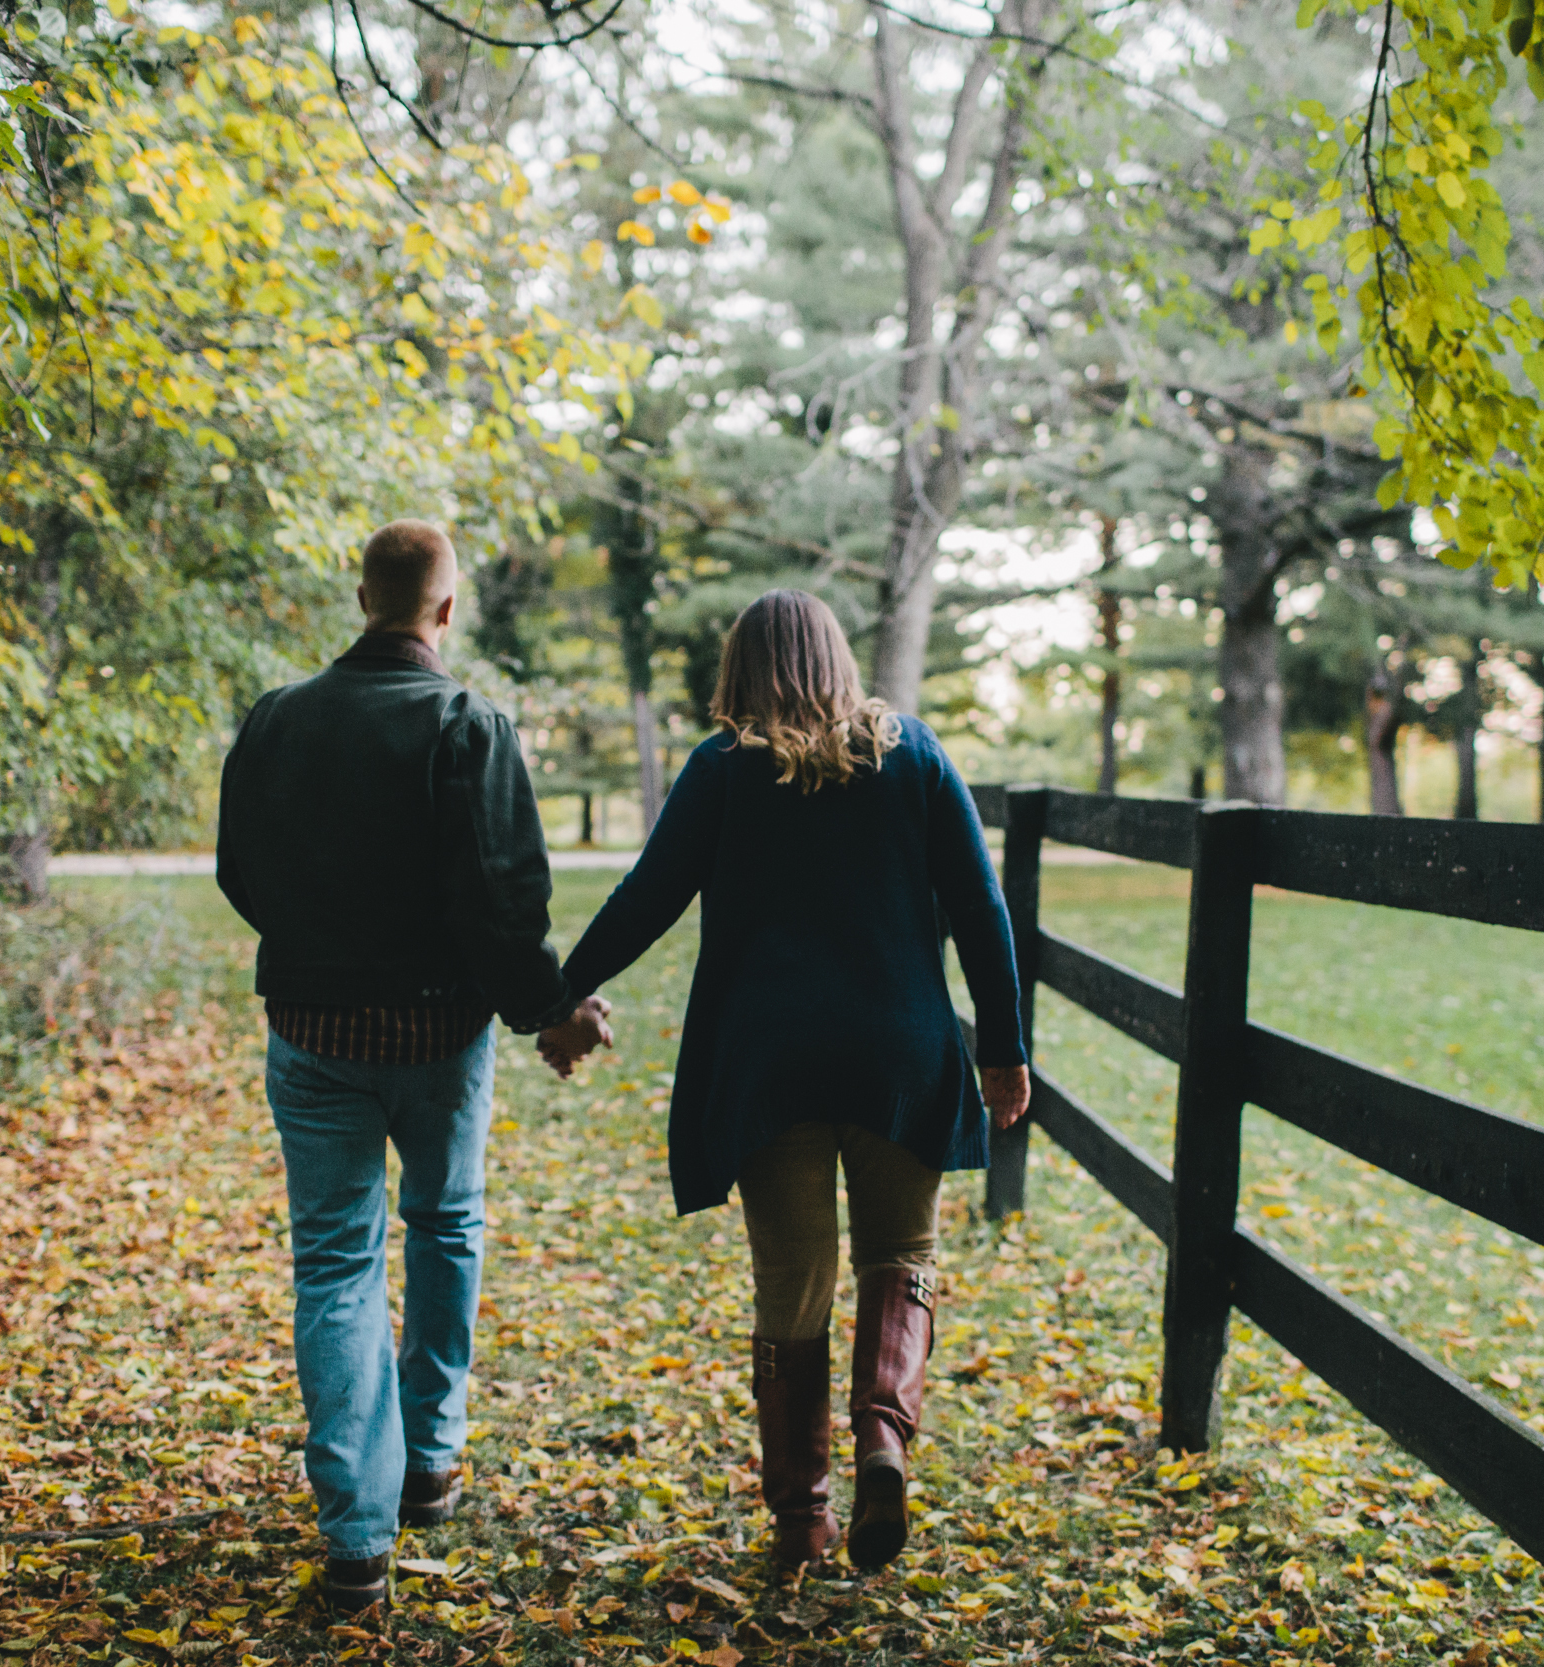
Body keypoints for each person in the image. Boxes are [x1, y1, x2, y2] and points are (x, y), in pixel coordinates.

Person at [547, 589, 1030, 1573]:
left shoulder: (722, 769)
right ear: (838, 658)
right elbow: (981, 906)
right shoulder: (916, 753)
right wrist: (1004, 1047)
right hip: (899, 1053)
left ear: (741, 669)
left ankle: (800, 1518)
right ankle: (883, 1439)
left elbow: (650, 892)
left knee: (792, 1284)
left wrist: (564, 991)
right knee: (900, 1253)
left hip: (768, 1065)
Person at [215, 519, 613, 1615]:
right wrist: (547, 1008)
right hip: (438, 1037)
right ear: (446, 610)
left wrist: (316, 948)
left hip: (309, 1033)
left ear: (362, 596)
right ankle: (429, 1460)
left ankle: (355, 1533)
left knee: (335, 1264)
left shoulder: (275, 720)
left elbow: (237, 871)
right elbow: (504, 901)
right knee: (445, 1224)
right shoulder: (466, 724)